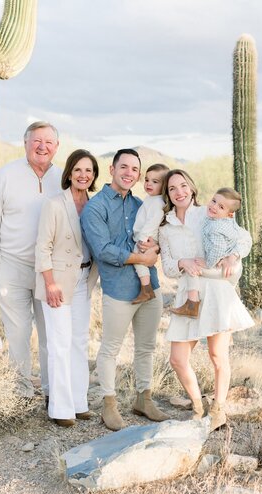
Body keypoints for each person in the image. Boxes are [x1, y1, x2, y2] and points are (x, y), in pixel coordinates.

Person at [158, 170, 255, 431]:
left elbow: (243, 237)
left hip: (214, 291)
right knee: (177, 359)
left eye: (183, 185)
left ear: (191, 188)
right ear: (167, 194)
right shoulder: (165, 228)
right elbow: (167, 267)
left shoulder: (208, 213)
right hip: (187, 294)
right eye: (172, 188)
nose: (179, 192)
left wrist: (234, 256)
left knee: (217, 355)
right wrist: (182, 262)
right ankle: (197, 407)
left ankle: (218, 411)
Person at [81, 148, 170, 431]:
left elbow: (155, 234)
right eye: (124, 167)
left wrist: (154, 247)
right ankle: (109, 405)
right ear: (112, 169)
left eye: (135, 169)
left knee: (146, 347)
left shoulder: (140, 205)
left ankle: (144, 399)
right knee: (110, 349)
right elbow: (104, 250)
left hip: (150, 287)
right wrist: (141, 258)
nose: (129, 173)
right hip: (119, 289)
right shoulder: (95, 207)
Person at [0, 121, 61, 397]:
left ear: (57, 147)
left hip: (48, 271)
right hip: (11, 265)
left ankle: (54, 391)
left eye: (48, 142)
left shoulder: (62, 179)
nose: (42, 147)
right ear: (25, 143)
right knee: (17, 332)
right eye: (36, 141)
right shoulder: (7, 175)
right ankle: (21, 390)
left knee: (50, 332)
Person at [35, 149, 100, 427]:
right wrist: (50, 283)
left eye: (88, 171)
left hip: (85, 280)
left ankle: (78, 402)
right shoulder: (54, 204)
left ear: (94, 175)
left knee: (79, 341)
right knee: (59, 343)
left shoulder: (95, 206)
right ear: (69, 174)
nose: (83, 175)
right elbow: (42, 247)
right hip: (57, 282)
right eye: (78, 170)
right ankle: (60, 409)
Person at [171, 187, 245, 318]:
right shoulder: (223, 221)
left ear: (229, 214)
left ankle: (191, 305)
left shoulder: (215, 228)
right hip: (225, 264)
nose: (214, 207)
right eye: (214, 201)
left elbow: (217, 249)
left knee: (192, 267)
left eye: (221, 207)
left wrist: (207, 263)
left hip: (219, 265)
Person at [130, 163, 169, 305]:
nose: (148, 184)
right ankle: (146, 288)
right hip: (145, 235)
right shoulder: (151, 199)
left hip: (147, 237)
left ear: (164, 185)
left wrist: (142, 238)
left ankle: (146, 289)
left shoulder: (158, 202)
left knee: (139, 259)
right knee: (141, 261)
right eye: (147, 180)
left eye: (155, 181)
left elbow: (152, 222)